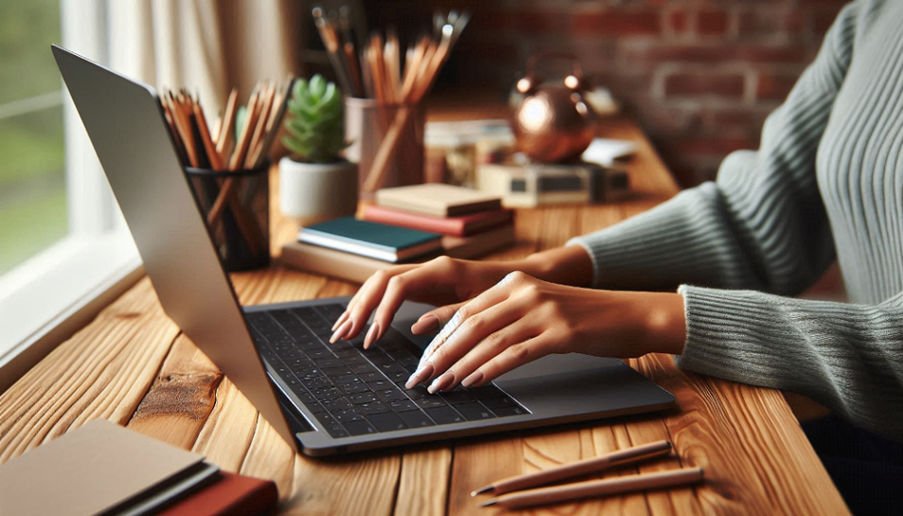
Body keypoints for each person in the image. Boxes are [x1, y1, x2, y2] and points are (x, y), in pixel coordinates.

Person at [331, 0, 902, 511]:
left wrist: (645, 317)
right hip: (867, 422)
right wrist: (539, 270)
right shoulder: (873, 18)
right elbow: (751, 219)